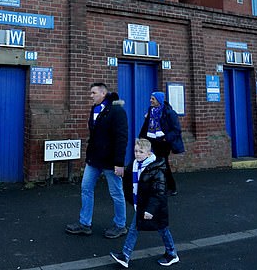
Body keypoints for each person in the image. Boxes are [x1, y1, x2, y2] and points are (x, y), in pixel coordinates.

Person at [66, 83, 129, 239]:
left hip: (110, 161)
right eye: (91, 93)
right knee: (86, 188)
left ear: (103, 93)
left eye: (94, 93)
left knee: (116, 193)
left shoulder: (117, 111)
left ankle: (120, 225)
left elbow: (121, 138)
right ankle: (84, 223)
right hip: (93, 160)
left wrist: (119, 163)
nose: (91, 95)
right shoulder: (94, 110)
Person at [110, 138, 179, 267]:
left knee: (162, 229)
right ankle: (125, 256)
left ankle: (172, 253)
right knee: (134, 228)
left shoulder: (156, 169)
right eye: (136, 151)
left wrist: (150, 210)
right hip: (142, 203)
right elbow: (130, 178)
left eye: (141, 152)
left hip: (155, 206)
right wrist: (122, 173)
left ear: (148, 153)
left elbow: (158, 192)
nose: (137, 154)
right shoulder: (135, 164)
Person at [138, 92, 183, 196]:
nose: (150, 100)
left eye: (153, 99)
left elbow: (177, 130)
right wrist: (141, 138)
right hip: (152, 140)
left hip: (163, 143)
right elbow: (146, 125)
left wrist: (165, 139)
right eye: (151, 98)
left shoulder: (169, 112)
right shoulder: (151, 110)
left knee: (163, 164)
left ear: (158, 100)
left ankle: (171, 187)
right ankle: (158, 186)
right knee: (154, 164)